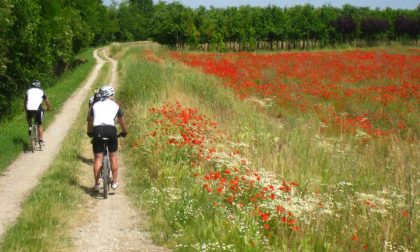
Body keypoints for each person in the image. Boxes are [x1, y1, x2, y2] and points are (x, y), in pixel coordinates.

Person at [87, 85, 128, 191]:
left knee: (98, 159)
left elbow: (90, 120)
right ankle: (114, 182)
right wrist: (124, 131)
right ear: (111, 95)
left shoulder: (95, 106)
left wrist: (90, 132)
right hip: (111, 130)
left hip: (98, 131)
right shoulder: (115, 105)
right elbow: (121, 120)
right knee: (113, 157)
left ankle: (96, 184)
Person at [24, 80, 51, 145]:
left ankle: (30, 126)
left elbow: (25, 102)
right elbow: (47, 101)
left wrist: (25, 109)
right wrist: (49, 108)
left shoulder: (28, 91)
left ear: (32, 85)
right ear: (39, 86)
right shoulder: (41, 91)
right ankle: (41, 141)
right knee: (40, 124)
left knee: (28, 116)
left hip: (29, 109)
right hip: (38, 110)